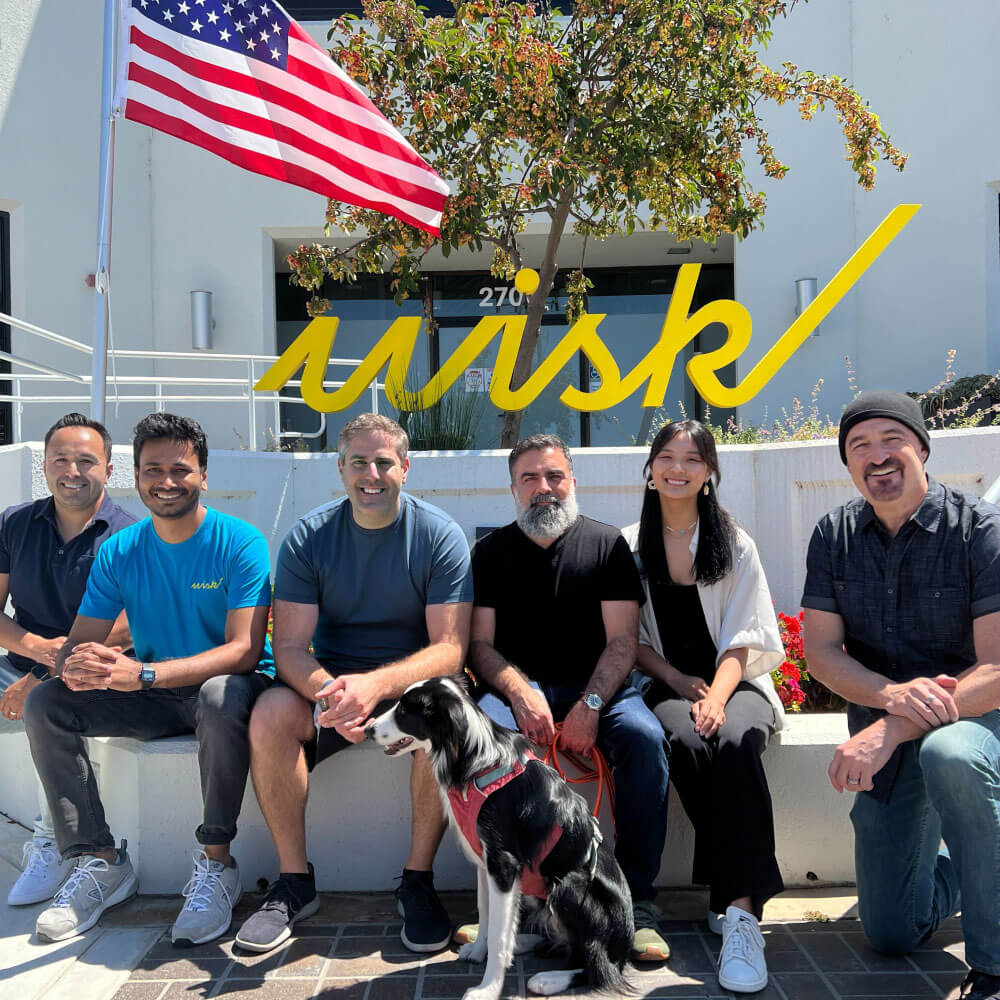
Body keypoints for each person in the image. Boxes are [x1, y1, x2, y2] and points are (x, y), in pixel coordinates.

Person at [22, 412, 274, 947]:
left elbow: (244, 650)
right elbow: (82, 640)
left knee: (218, 693)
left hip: (231, 692)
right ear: (135, 478)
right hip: (154, 695)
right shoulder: (120, 549)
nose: (166, 481)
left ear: (204, 475)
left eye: (180, 469)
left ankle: (216, 864)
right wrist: (63, 668)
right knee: (48, 703)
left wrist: (145, 672)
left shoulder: (240, 541)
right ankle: (100, 860)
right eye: (152, 470)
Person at [236, 413, 473, 955]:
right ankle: (294, 883)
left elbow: (449, 650)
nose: (372, 474)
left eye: (384, 462)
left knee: (444, 717)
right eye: (359, 462)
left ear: (405, 469)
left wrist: (374, 686)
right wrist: (335, 693)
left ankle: (417, 881)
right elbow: (290, 647)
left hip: (412, 694)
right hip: (333, 692)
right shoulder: (309, 537)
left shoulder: (439, 535)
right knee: (270, 713)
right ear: (339, 469)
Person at [802, 390, 1000, 1000]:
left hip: (974, 719)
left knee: (952, 756)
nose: (877, 455)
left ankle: (993, 964)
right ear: (848, 464)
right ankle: (971, 873)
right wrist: (894, 699)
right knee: (890, 932)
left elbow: (997, 665)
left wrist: (891, 726)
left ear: (921, 447)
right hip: (885, 726)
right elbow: (821, 653)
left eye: (892, 439)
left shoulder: (979, 530)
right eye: (859, 446)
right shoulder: (834, 535)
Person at [467, 433, 672, 963]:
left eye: (554, 476)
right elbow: (480, 646)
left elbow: (624, 640)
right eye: (530, 478)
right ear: (513, 488)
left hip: (599, 692)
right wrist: (518, 692)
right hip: (518, 696)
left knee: (646, 741)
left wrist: (592, 704)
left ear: (573, 482)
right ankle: (509, 908)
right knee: (481, 757)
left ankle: (638, 903)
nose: (544, 488)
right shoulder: (489, 553)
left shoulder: (606, 546)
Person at [624, 420, 785, 995]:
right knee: (687, 742)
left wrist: (716, 696)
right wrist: (676, 679)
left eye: (693, 459)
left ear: (710, 472)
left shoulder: (734, 543)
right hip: (666, 682)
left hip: (734, 681)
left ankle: (739, 912)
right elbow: (628, 640)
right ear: (650, 469)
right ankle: (732, 887)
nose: (678, 468)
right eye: (666, 457)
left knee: (737, 740)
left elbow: (744, 637)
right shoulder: (629, 545)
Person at [1, 413, 135, 907]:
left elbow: (125, 629)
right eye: (61, 459)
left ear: (107, 468)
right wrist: (36, 652)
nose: (72, 470)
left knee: (47, 707)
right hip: (28, 655)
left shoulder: (131, 535)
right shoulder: (15, 522)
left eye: (86, 460)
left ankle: (52, 841)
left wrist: (41, 675)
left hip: (96, 666)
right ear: (44, 465)